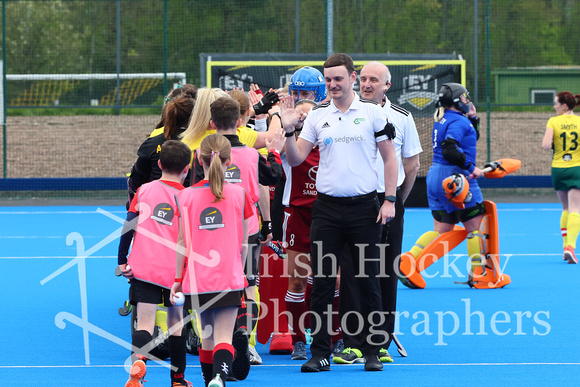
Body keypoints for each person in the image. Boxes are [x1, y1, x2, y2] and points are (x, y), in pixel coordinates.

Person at [281, 53, 398, 373]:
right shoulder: (318, 117)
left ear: (352, 77)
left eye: (338, 78)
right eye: (328, 79)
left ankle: (372, 350)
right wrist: (288, 130)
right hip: (327, 210)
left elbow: (390, 159)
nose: (333, 84)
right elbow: (295, 159)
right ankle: (320, 352)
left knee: (368, 279)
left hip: (364, 208)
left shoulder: (373, 113)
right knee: (322, 283)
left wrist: (389, 200)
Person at [335, 61, 422, 364]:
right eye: (365, 79)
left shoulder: (401, 118)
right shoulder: (344, 112)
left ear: (387, 85)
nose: (368, 84)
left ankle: (380, 341)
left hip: (388, 201)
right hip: (353, 201)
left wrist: (396, 200)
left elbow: (411, 166)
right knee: (351, 270)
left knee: (385, 270)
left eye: (376, 80)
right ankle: (352, 342)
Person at [171, 134, 254, 387]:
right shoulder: (240, 195)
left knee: (207, 336)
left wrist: (177, 279)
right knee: (223, 337)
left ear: (198, 158)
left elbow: (182, 243)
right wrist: (239, 271)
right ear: (229, 161)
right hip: (228, 276)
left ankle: (211, 380)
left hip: (198, 279)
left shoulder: (184, 197)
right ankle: (219, 376)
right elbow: (245, 242)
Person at [117, 140, 194, 387]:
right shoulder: (188, 197)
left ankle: (136, 370)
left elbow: (129, 227)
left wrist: (122, 261)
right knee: (176, 325)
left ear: (159, 164)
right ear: (188, 168)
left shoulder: (144, 190)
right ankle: (178, 380)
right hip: (175, 274)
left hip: (144, 268)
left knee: (146, 322)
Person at [402, 83, 486, 283]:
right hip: (456, 178)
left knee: (441, 230)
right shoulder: (459, 122)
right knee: (474, 228)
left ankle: (409, 261)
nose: (468, 101)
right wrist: (471, 168)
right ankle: (478, 274)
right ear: (457, 101)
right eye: (465, 98)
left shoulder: (444, 118)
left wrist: (473, 118)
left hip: (435, 175)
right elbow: (450, 149)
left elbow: (468, 138)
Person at [127, 94, 195, 207]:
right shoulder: (201, 143)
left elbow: (136, 180)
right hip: (189, 205)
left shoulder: (152, 143)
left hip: (156, 205)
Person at [542, 91, 580, 264]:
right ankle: (571, 247)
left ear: (564, 106)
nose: (554, 106)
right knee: (576, 209)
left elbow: (545, 146)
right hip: (576, 168)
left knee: (565, 208)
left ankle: (565, 246)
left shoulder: (553, 121)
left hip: (558, 168)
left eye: (556, 103)